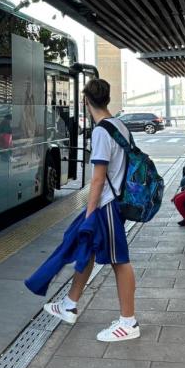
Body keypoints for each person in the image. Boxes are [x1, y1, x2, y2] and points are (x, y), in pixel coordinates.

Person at [25, 79, 140, 343]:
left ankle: (128, 322)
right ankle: (69, 303)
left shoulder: (101, 132)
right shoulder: (120, 125)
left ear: (86, 102)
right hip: (114, 201)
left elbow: (98, 179)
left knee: (119, 261)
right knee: (84, 249)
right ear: (107, 99)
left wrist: (89, 214)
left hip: (106, 205)